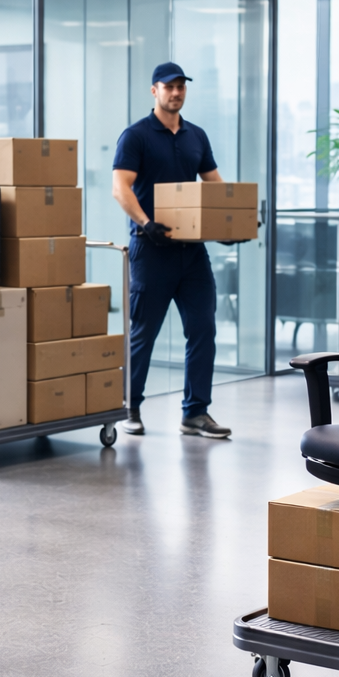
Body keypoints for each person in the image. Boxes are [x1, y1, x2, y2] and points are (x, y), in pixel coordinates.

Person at [111, 62, 231, 440]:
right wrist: (145, 222)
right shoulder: (136, 136)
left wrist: (228, 226)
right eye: (169, 87)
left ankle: (195, 413)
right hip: (151, 250)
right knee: (143, 333)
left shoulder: (196, 136)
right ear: (154, 91)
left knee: (203, 329)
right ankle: (129, 407)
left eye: (181, 87)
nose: (176, 92)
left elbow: (215, 187)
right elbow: (121, 187)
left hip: (191, 254)